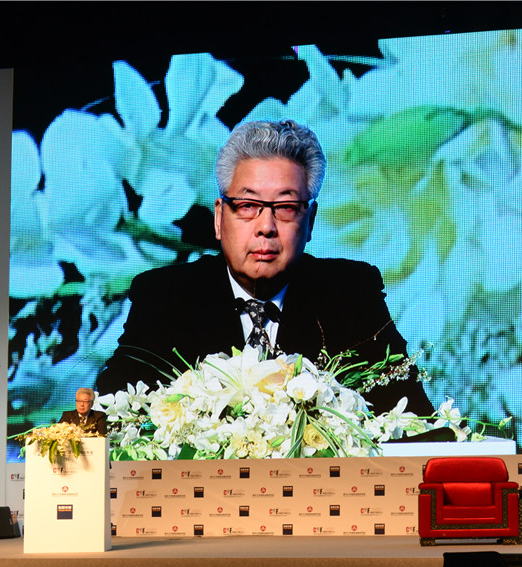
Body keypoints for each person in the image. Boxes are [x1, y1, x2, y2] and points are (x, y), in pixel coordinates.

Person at [96, 120, 434, 416]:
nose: (266, 227)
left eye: (285, 207)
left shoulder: (351, 293)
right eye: (247, 205)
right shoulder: (164, 297)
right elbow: (114, 413)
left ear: (310, 221)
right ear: (219, 218)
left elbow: (413, 419)